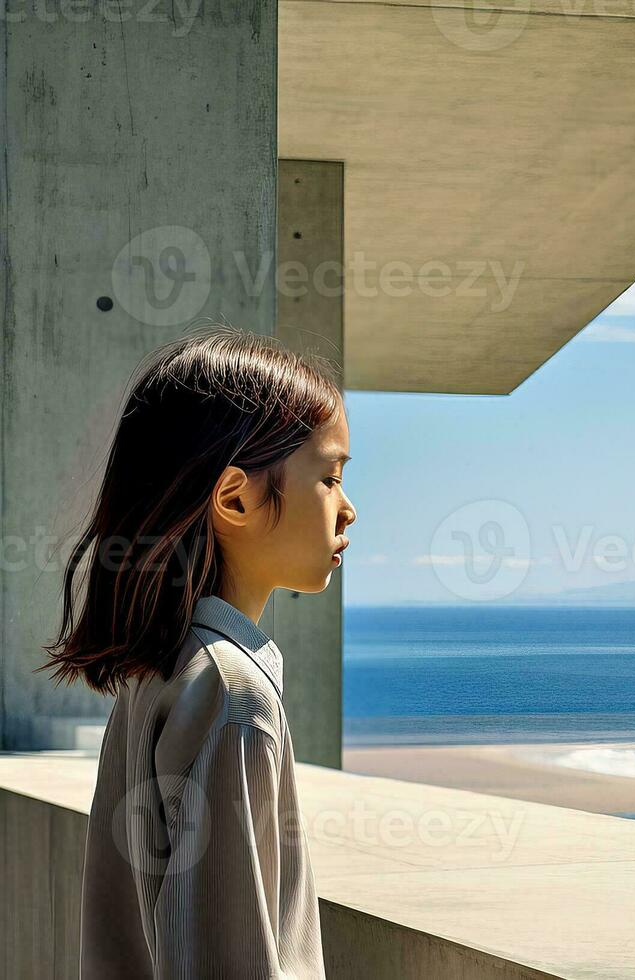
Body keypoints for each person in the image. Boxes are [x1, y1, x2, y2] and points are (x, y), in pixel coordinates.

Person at [39, 325, 356, 978]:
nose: (347, 510)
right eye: (328, 478)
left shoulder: (164, 671)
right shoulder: (229, 692)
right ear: (235, 498)